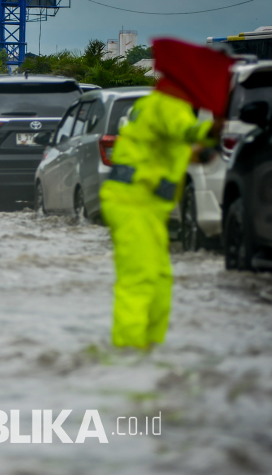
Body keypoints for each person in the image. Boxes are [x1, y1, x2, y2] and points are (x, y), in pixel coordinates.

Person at [99, 39, 233, 350]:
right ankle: (127, 354)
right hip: (134, 203)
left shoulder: (158, 104)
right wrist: (211, 130)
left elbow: (175, 149)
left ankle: (149, 350)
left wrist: (203, 150)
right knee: (141, 280)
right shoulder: (170, 106)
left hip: (145, 206)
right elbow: (186, 133)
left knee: (159, 281)